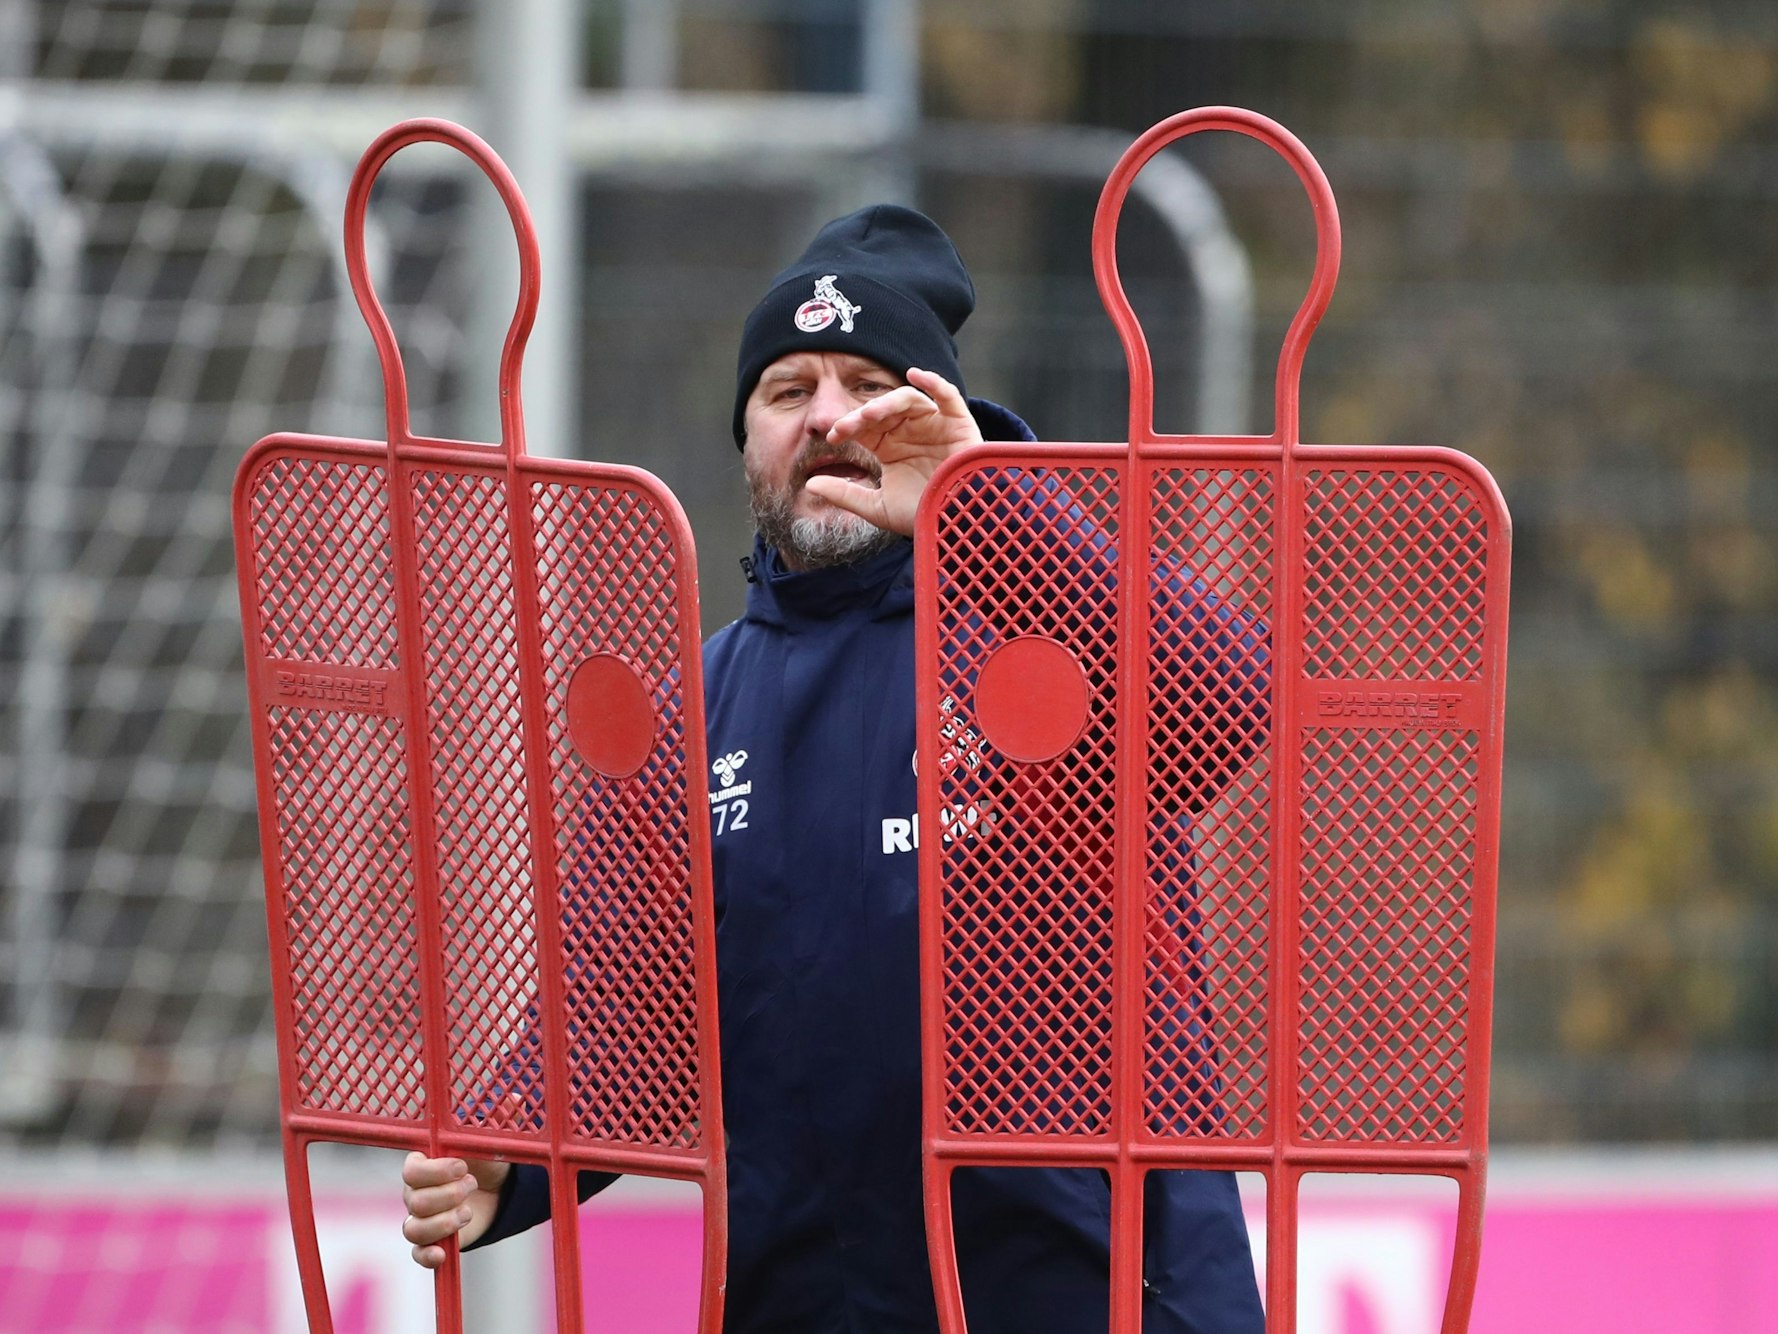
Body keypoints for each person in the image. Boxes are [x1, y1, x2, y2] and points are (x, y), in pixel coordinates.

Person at [400, 204, 1266, 1332]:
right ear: (747, 440)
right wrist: (507, 1158)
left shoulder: (1045, 634)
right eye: (786, 390)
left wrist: (985, 502)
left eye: (866, 381)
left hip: (1095, 1299)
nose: (828, 416)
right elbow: (623, 1022)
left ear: (937, 413)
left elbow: (1227, 702)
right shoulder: (691, 711)